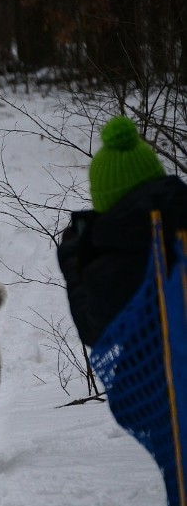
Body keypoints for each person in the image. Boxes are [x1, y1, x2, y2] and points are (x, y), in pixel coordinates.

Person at [57, 115, 187, 347]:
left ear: (105, 203)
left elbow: (95, 333)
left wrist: (74, 263)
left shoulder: (114, 267)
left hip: (160, 379)